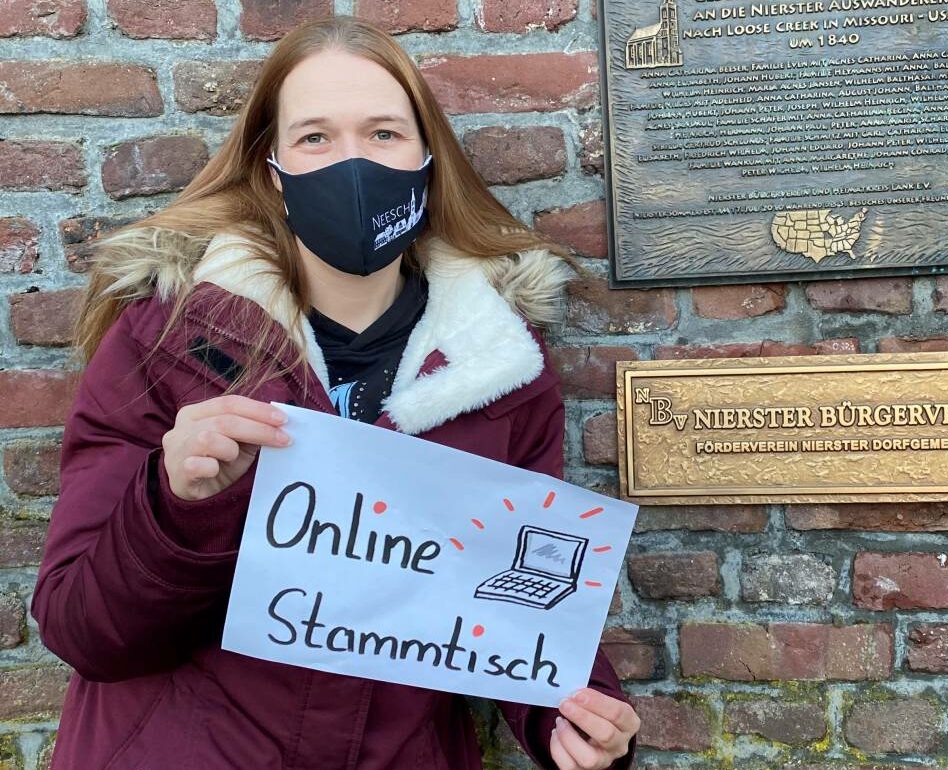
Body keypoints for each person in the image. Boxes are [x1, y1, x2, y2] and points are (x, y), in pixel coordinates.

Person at [31, 16, 639, 770]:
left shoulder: (502, 368)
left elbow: (515, 597)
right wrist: (173, 501)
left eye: (383, 134)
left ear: (426, 158)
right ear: (273, 169)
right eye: (315, 137)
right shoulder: (162, 341)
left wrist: (569, 719)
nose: (353, 163)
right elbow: (83, 632)